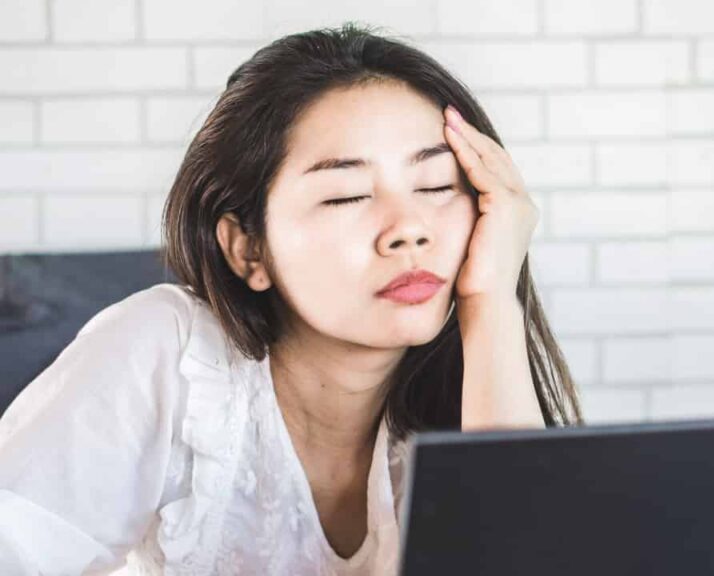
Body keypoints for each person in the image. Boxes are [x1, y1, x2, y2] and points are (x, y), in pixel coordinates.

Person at [0, 23, 584, 575]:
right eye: (347, 196)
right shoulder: (168, 353)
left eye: (436, 187)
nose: (410, 228)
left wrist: (490, 306)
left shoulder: (479, 385)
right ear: (248, 249)